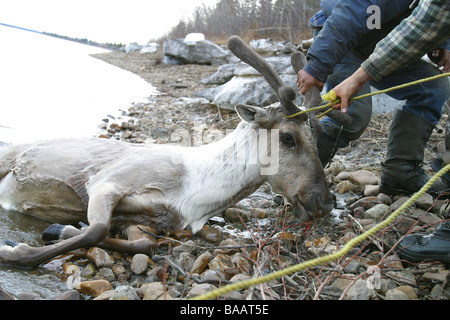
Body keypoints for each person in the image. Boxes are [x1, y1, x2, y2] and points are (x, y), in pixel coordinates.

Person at [297, 0, 450, 265]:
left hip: (390, 44)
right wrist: (317, 67)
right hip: (346, 42)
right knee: (352, 116)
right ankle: (300, 183)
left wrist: (444, 44)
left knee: (432, 88)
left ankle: (401, 171)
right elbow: (348, 16)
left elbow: (435, 15)